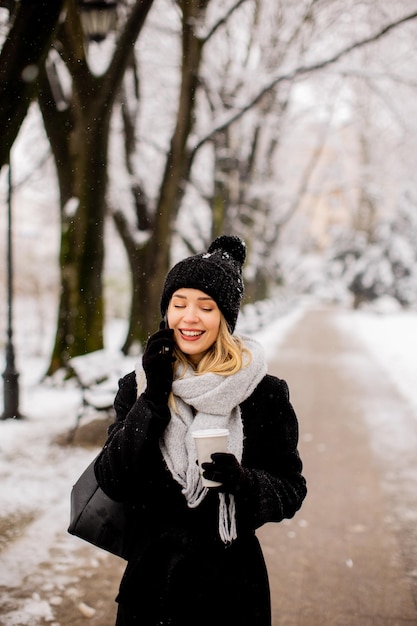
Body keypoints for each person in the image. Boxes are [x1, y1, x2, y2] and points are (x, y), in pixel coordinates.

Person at [94, 235, 307, 626]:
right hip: (152, 585)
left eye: (205, 307)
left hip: (231, 590)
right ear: (166, 311)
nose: (189, 318)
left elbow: (291, 489)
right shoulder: (140, 386)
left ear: (225, 318)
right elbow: (113, 478)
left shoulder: (265, 394)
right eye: (179, 304)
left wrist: (245, 483)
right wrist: (153, 400)